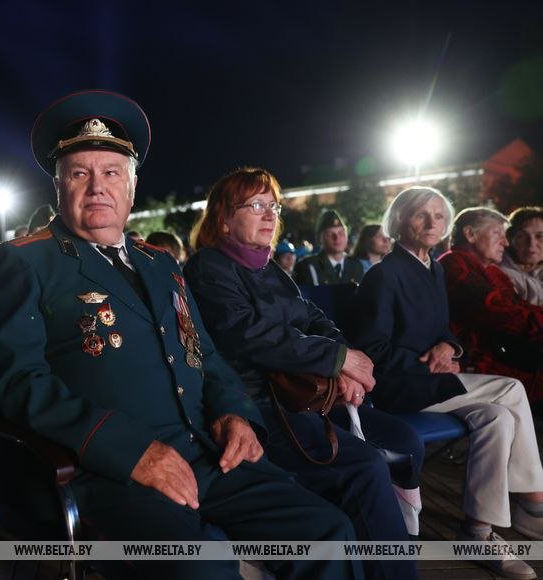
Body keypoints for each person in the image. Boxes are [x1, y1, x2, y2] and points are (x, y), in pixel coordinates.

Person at [0, 90, 360, 580]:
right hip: (106, 467)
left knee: (328, 532)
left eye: (111, 173)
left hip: (204, 450)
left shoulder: (161, 263)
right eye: (79, 174)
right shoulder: (25, 261)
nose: (97, 188)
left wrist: (235, 413)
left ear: (132, 186)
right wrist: (132, 452)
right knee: (204, 568)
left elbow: (205, 354)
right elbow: (18, 384)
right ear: (58, 186)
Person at [184, 167, 422, 580]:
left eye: (273, 206)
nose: (269, 215)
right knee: (363, 466)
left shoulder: (269, 267)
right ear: (223, 218)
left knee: (403, 440)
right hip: (259, 404)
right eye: (255, 205)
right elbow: (250, 335)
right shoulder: (209, 267)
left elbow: (313, 317)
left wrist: (342, 362)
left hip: (309, 393)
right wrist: (336, 360)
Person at [349, 186, 543, 580]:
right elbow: (370, 350)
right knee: (511, 389)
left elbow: (444, 329)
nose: (432, 222)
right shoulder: (383, 275)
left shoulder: (433, 268)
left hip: (432, 382)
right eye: (421, 214)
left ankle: (477, 531)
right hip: (399, 386)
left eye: (439, 215)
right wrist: (426, 362)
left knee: (497, 419)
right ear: (400, 220)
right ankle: (533, 500)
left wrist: (448, 347)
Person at [437, 207, 542, 404]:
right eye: (497, 233)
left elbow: (522, 308)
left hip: (500, 358)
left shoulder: (493, 272)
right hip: (474, 364)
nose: (506, 242)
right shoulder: (454, 264)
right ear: (470, 234)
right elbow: (499, 312)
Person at [294, 210, 364, 286]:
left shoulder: (356, 266)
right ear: (320, 238)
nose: (337, 238)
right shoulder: (307, 267)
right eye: (330, 234)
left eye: (341, 233)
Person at [502, 206, 543, 305]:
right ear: (509, 239)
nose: (531, 244)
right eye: (522, 236)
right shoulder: (501, 274)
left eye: (540, 236)